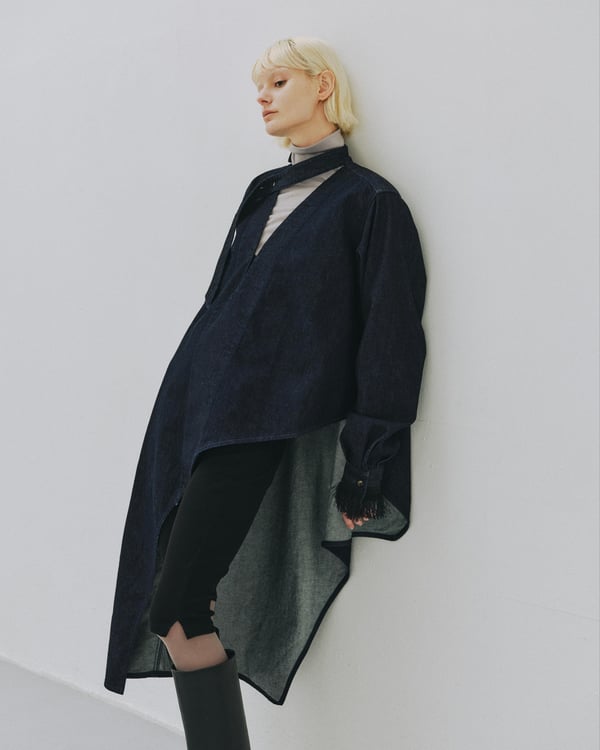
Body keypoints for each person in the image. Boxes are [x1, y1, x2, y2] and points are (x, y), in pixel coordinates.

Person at [104, 36, 426, 750]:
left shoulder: (369, 203)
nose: (262, 95)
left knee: (176, 607)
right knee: (170, 599)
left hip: (257, 423)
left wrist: (367, 457)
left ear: (323, 87)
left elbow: (390, 337)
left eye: (279, 81)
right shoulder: (263, 192)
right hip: (193, 412)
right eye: (260, 84)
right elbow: (223, 308)